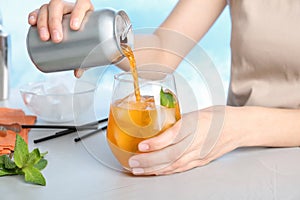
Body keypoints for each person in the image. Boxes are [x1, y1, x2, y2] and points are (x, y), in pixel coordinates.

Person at [28, 0, 300, 175]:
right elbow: (163, 50)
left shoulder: (231, 130)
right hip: (237, 161)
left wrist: (236, 125)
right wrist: (93, 36)